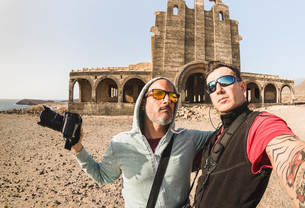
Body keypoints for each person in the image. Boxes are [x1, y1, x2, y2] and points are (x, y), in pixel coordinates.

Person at [194, 61, 305, 208]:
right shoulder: (215, 135)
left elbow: (290, 150)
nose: (218, 89)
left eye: (225, 81)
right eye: (211, 86)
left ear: (242, 86)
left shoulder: (259, 125)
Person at [72, 77, 212, 207]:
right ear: (143, 103)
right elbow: (102, 177)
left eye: (173, 97)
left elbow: (228, 135)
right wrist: (77, 147)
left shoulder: (189, 138)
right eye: (158, 94)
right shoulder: (121, 143)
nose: (167, 100)